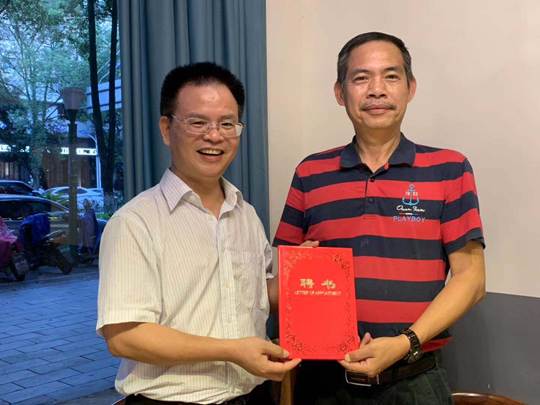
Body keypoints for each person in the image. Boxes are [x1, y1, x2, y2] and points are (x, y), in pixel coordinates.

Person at [274, 32, 486, 404]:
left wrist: (405, 343)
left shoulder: (449, 169)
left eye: (391, 76)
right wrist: (297, 274)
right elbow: (281, 279)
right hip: (323, 382)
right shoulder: (311, 172)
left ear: (410, 88)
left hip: (415, 380)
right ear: (340, 93)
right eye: (361, 78)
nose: (376, 90)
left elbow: (472, 279)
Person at [97, 62, 299, 405]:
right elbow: (125, 336)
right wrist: (232, 351)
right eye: (198, 122)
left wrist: (307, 272)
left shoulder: (246, 215)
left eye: (227, 123)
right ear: (166, 129)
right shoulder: (134, 221)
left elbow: (256, 293)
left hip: (254, 396)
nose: (215, 136)